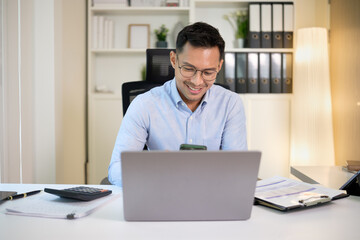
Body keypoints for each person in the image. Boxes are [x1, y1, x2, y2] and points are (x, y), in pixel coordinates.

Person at [108, 22, 247, 186]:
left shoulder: (231, 104)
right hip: (160, 192)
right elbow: (116, 169)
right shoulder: (144, 105)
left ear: (219, 66)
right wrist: (155, 168)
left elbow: (237, 170)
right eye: (188, 69)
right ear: (173, 60)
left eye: (208, 72)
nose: (197, 82)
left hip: (211, 196)